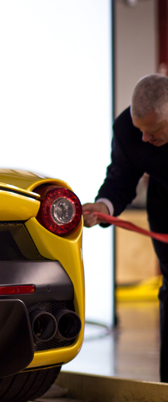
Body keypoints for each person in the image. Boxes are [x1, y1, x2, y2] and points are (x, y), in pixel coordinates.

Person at [82, 74, 168, 383]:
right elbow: (120, 178)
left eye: (154, 131)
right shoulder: (127, 130)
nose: (144, 139)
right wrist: (104, 207)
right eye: (140, 130)